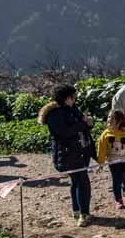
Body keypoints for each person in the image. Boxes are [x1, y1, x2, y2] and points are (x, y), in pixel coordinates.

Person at [39, 85, 95, 226]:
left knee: (77, 181)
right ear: (67, 97)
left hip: (81, 151)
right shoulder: (55, 114)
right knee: (82, 182)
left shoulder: (72, 109)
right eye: (73, 96)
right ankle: (84, 214)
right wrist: (82, 124)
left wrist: (88, 124)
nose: (75, 99)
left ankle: (77, 211)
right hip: (68, 154)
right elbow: (64, 133)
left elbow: (81, 125)